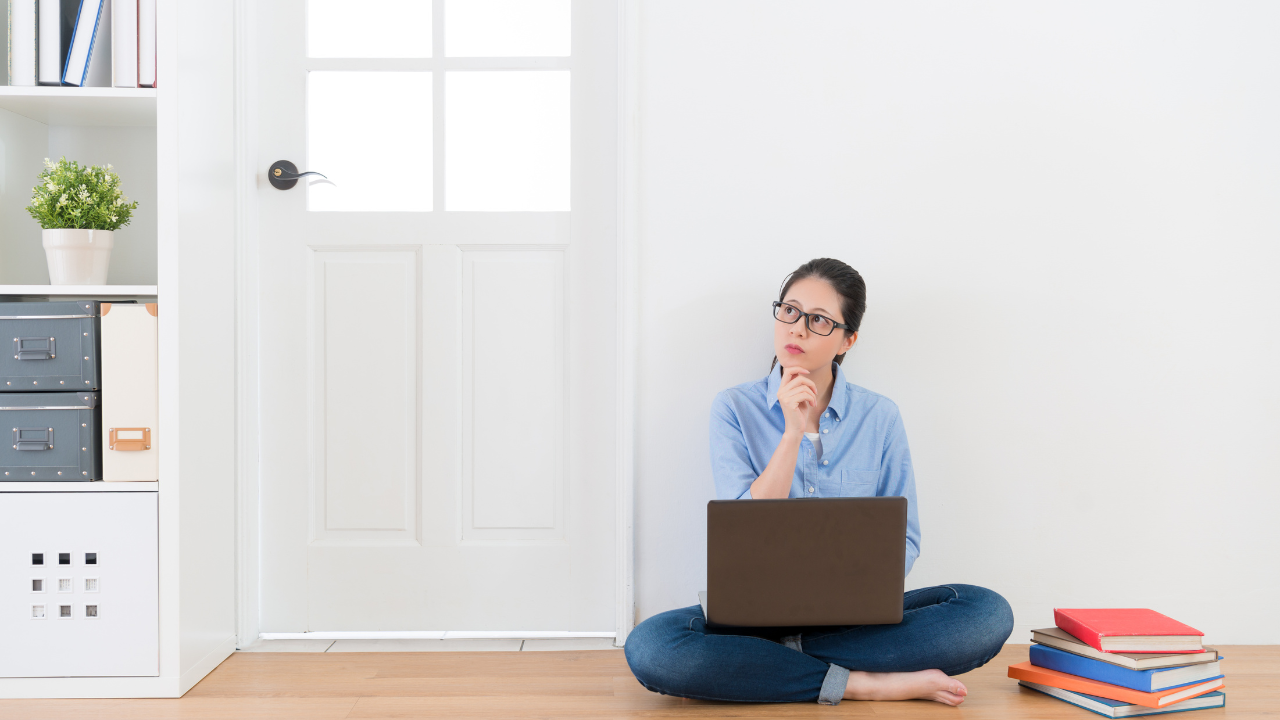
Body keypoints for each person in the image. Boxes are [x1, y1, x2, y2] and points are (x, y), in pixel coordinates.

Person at [624, 258, 1014, 706]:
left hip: (857, 621)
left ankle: (766, 664)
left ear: (848, 339)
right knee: (653, 647)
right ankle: (860, 683)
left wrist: (859, 595)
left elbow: (903, 538)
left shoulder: (879, 416)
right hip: (752, 619)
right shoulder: (734, 407)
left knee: (986, 613)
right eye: (789, 311)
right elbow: (742, 532)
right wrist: (791, 433)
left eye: (819, 320)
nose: (798, 329)